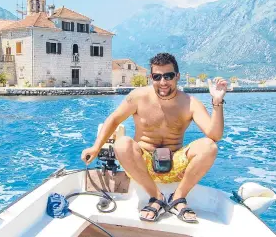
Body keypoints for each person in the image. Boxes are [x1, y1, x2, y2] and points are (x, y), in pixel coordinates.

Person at [81, 53, 227, 223]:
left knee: (209, 146)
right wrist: (96, 147)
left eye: (168, 76)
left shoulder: (190, 103)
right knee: (122, 144)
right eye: (157, 77)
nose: (163, 82)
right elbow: (113, 119)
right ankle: (156, 197)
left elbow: (215, 135)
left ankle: (178, 197)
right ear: (151, 77)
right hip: (143, 164)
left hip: (176, 166)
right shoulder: (138, 97)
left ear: (177, 76)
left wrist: (217, 102)